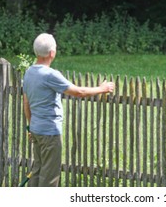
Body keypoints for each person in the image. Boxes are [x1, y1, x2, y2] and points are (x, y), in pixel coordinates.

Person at [23, 33, 115, 187]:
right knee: (49, 178)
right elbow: (79, 92)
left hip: (36, 130)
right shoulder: (50, 75)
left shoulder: (29, 72)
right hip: (50, 132)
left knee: (37, 172)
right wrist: (102, 88)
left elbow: (26, 102)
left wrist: (30, 126)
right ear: (52, 53)